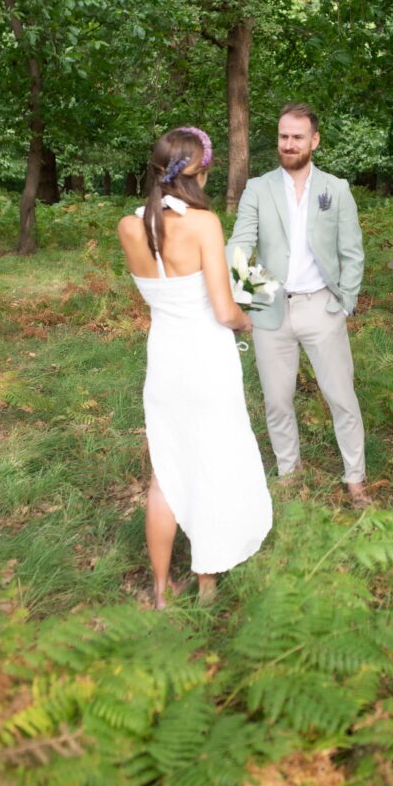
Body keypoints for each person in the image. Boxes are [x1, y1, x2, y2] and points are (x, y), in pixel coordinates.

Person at [118, 127, 272, 609]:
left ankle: (161, 591)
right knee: (213, 460)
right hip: (206, 357)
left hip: (165, 358)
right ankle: (207, 585)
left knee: (166, 471)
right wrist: (246, 320)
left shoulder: (129, 226)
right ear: (199, 172)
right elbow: (224, 310)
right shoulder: (203, 223)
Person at [226, 102, 369, 506]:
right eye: (283, 136)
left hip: (322, 307)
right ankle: (289, 474)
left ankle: (355, 479)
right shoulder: (258, 188)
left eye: (297, 137)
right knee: (276, 401)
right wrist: (252, 296)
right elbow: (239, 245)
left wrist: (345, 303)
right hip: (271, 308)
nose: (288, 144)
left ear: (314, 141)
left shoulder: (336, 189)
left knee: (341, 398)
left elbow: (352, 252)